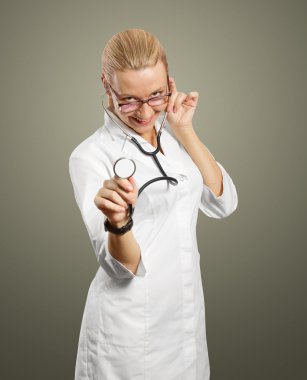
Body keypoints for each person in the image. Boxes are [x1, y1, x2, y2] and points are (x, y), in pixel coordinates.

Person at [69, 28, 238, 380]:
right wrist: (118, 222)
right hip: (128, 328)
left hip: (184, 322)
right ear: (106, 85)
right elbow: (121, 267)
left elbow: (223, 203)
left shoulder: (174, 139)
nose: (145, 112)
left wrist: (185, 130)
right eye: (128, 99)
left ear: (170, 84)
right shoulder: (90, 156)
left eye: (156, 95)